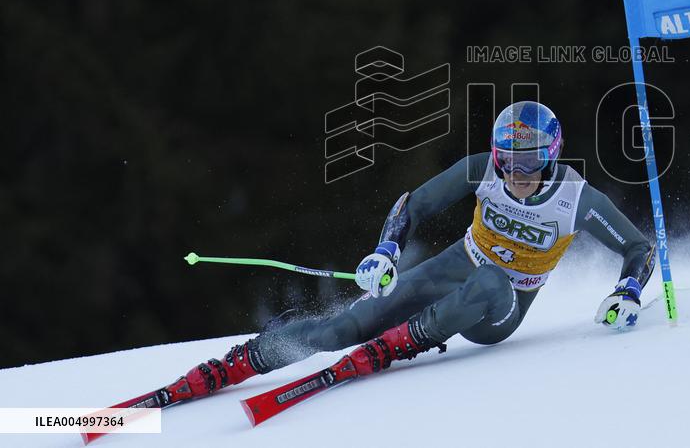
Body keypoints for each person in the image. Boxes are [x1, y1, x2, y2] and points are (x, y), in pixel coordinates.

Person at [161, 101, 655, 402]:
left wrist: (628, 290)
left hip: (501, 306)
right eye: (508, 162)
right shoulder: (482, 169)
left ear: (551, 155)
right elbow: (412, 204)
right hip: (454, 266)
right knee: (341, 329)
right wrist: (387, 251)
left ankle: (399, 344)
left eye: (529, 163)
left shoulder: (576, 198)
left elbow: (638, 247)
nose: (517, 175)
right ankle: (243, 361)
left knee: (491, 280)